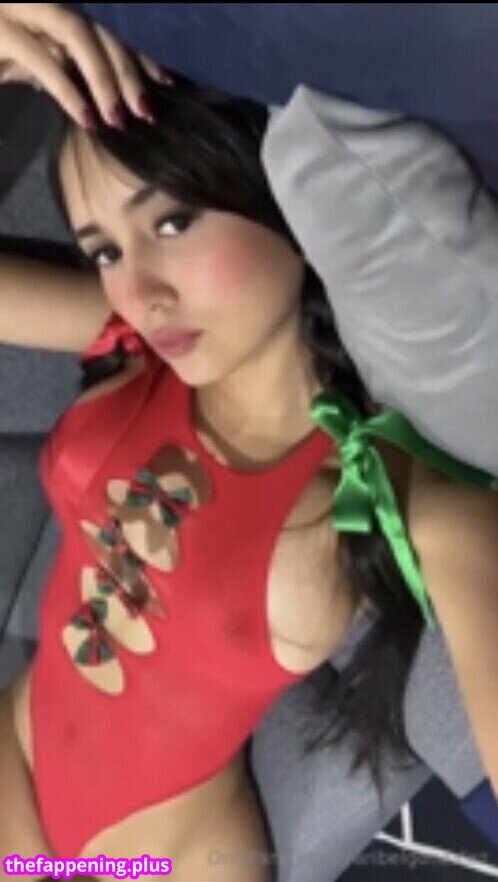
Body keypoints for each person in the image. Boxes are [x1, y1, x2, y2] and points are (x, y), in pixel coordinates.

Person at [0, 6, 496, 881]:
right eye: (105, 251)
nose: (141, 292)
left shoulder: (386, 481)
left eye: (172, 224)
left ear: (264, 177)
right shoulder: (131, 341)